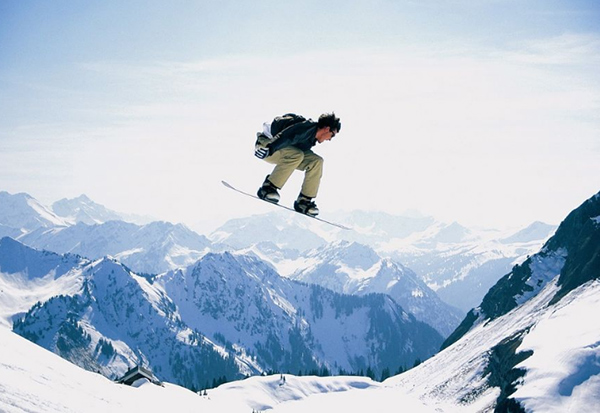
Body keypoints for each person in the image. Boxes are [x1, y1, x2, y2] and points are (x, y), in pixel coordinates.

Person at [254, 112, 341, 216]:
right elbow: (286, 136)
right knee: (297, 155)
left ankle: (304, 201)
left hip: (283, 150)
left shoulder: (311, 138)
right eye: (332, 135)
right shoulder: (305, 128)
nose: (330, 139)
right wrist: (270, 148)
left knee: (316, 162)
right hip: (267, 144)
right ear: (327, 128)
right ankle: (268, 188)